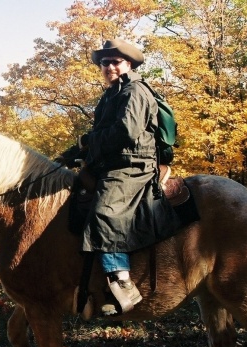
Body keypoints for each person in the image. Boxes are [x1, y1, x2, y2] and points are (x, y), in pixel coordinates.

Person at [78, 38, 164, 316]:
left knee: (105, 211)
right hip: (113, 162)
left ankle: (122, 282)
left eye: (115, 62)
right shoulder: (111, 94)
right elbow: (98, 135)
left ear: (129, 64)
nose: (109, 67)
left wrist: (88, 141)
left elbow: (126, 132)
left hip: (132, 165)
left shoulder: (135, 91)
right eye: (105, 63)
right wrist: (68, 155)